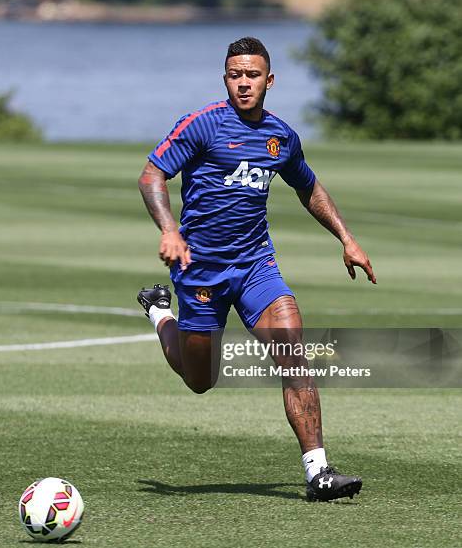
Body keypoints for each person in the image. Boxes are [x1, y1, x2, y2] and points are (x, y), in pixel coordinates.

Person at [136, 37, 376, 502]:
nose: (243, 83)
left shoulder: (281, 137)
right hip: (200, 269)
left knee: (293, 352)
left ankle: (318, 472)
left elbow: (308, 187)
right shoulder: (202, 125)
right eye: (234, 75)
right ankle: (160, 314)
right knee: (199, 380)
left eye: (251, 75)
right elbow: (151, 175)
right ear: (225, 78)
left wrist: (347, 239)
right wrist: (169, 230)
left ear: (269, 80)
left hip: (254, 266)